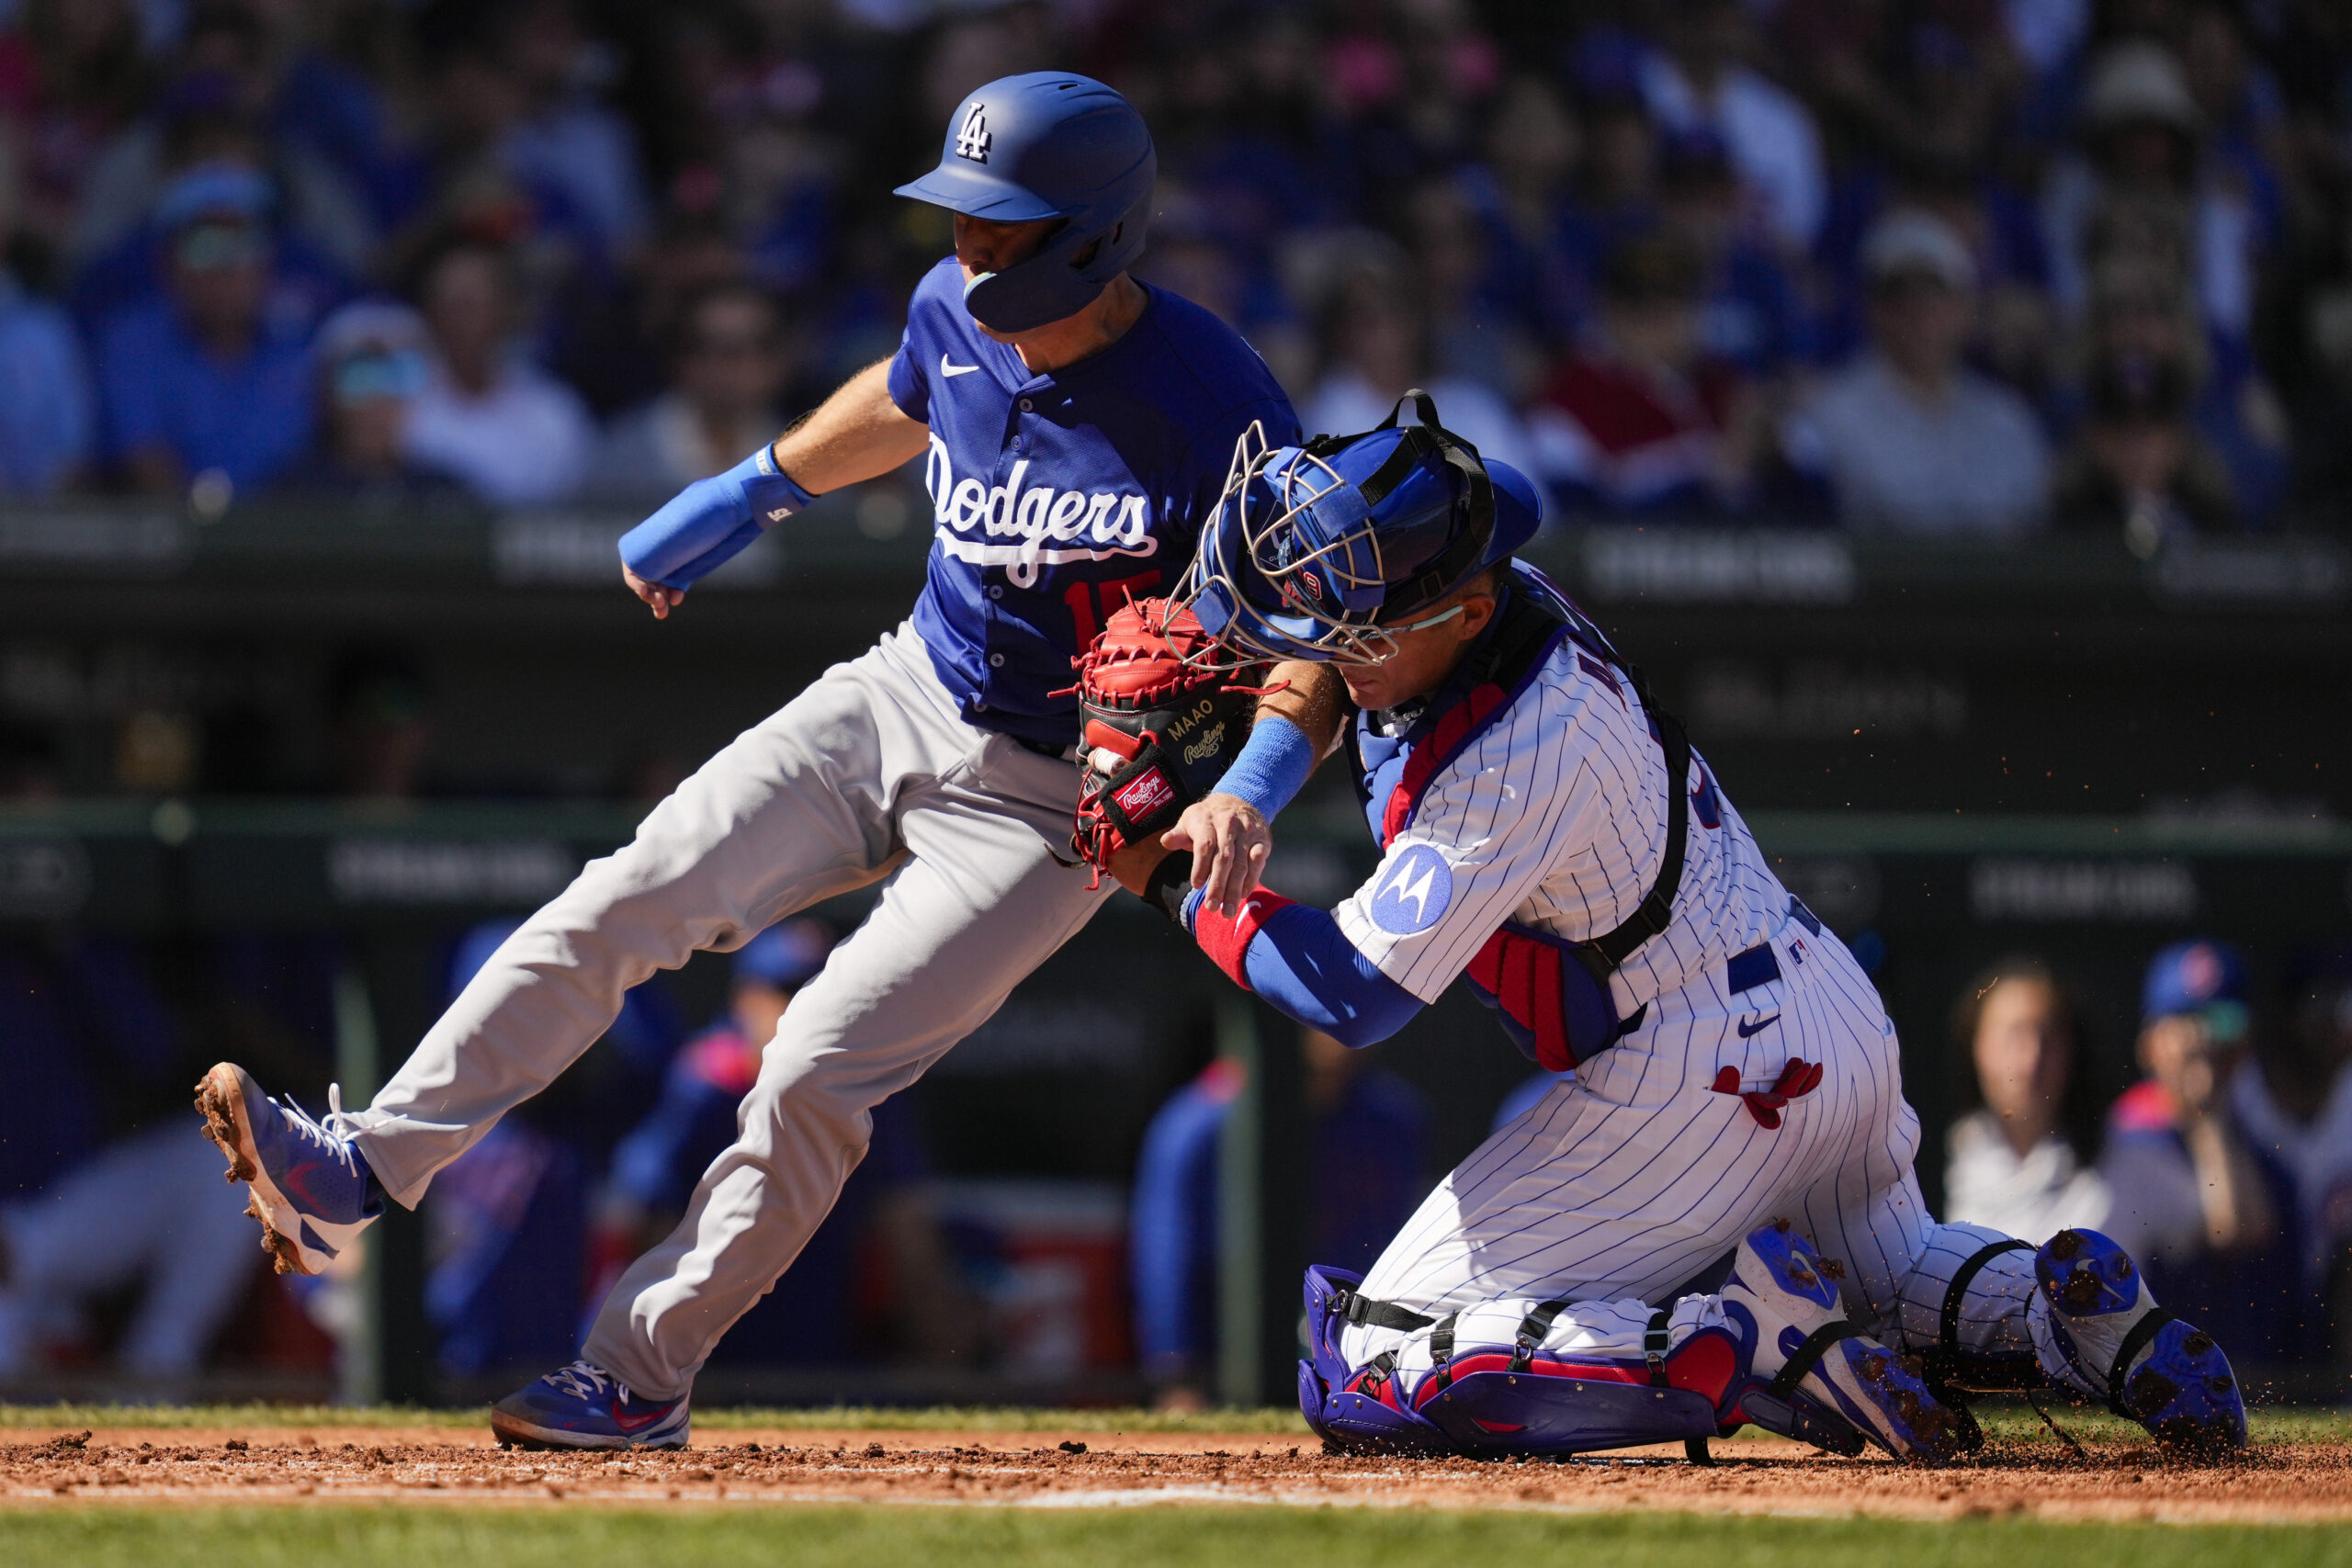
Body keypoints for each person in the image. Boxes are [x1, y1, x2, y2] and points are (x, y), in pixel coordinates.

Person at [196, 73, 1304, 1450]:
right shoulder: (952, 307)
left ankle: (637, 1372)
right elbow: (910, 395)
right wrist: (758, 482)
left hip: (1050, 793)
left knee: (818, 1069)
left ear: (1093, 234)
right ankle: (365, 1162)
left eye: (1003, 225)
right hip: (909, 683)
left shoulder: (1213, 401)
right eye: (962, 216)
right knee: (632, 887)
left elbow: (1309, 623)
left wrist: (1250, 782)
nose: (968, 246)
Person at [1132, 403, 2245, 1461]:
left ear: (1456, 611)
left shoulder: (1508, 755)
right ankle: (2081, 1324)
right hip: (1821, 1009)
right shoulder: (1490, 596)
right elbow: (1328, 664)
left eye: (1354, 613)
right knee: (1892, 1278)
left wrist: (1168, 881)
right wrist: (1245, 793)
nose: (1325, 635)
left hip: (1699, 1067)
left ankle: (1751, 1340)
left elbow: (1348, 996)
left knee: (1369, 1357)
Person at [1128, 1027, 1429, 1407]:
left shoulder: (1392, 1121)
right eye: (1326, 1015)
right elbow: (1166, 1260)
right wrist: (1177, 1372)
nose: (1344, 1030)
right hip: (1227, 1363)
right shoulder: (1196, 1124)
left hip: (1359, 1360)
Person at [1783, 209, 2048, 536]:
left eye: (1936, 295)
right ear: (1872, 309)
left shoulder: (2007, 419)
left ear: (1966, 308)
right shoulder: (1830, 413)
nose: (1919, 313)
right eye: (1899, 296)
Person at [96, 161, 316, 497]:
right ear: (168, 262)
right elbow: (146, 463)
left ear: (268, 260)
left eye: (243, 242)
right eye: (204, 244)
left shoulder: (299, 337)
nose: (225, 263)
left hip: (296, 535)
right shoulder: (134, 339)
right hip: (179, 538)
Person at [400, 238, 596, 508]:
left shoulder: (554, 413)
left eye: (472, 306)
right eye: (449, 306)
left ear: (507, 310)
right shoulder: (400, 406)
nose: (460, 322)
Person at [1941, 956, 2110, 1242]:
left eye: (2047, 1035)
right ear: (1976, 1045)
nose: (2032, 1057)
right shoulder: (1919, 1160)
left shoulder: (2125, 1152)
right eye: (2013, 1034)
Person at [591, 282, 795, 502]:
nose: (731, 366)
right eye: (713, 348)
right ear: (682, 360)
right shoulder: (622, 456)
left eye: (751, 347)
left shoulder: (804, 456)